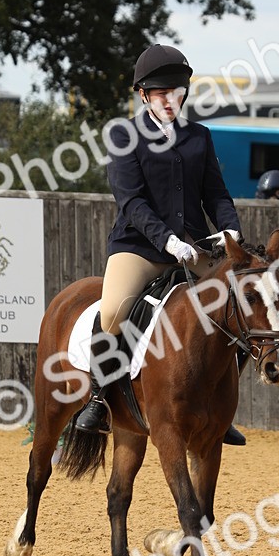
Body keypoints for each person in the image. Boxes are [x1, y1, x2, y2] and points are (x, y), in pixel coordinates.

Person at [75, 42, 247, 445]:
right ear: (144, 95)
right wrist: (167, 241)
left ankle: (221, 410)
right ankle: (99, 400)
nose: (171, 100)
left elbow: (216, 194)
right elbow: (131, 202)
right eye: (161, 94)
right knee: (113, 314)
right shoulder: (125, 136)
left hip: (193, 248)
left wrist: (231, 230)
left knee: (239, 298)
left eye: (177, 93)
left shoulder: (199, 137)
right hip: (139, 248)